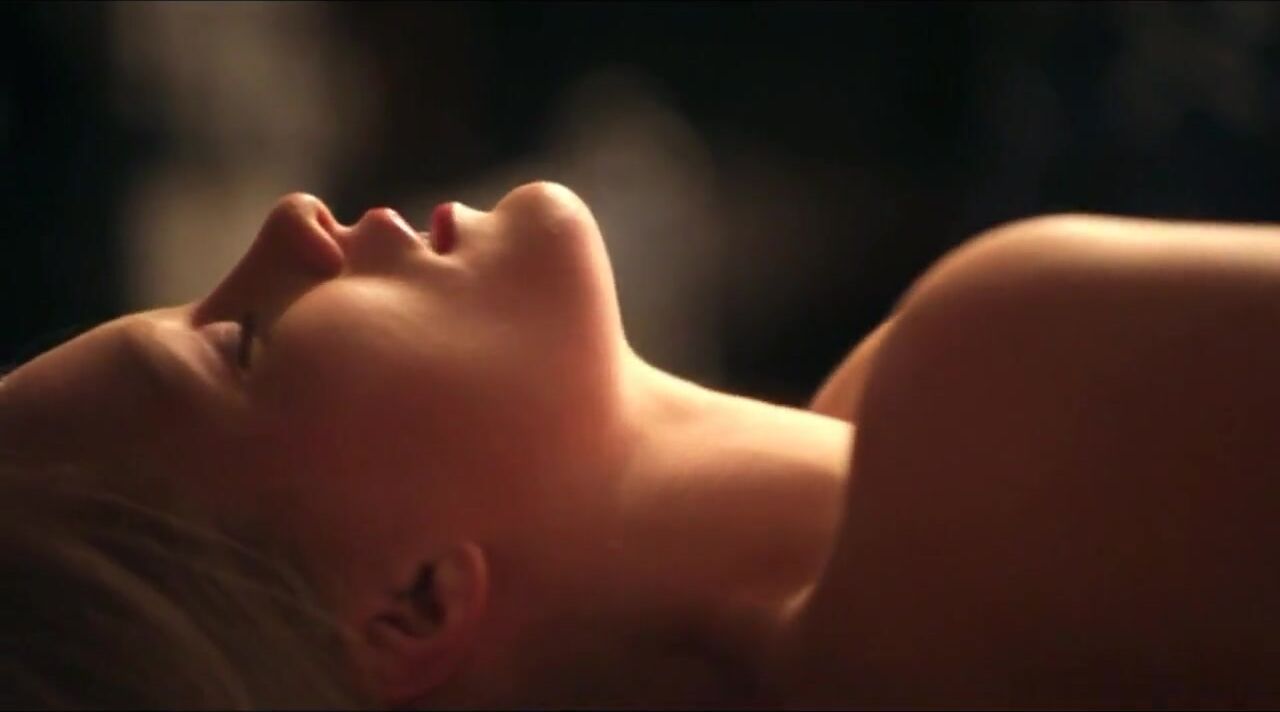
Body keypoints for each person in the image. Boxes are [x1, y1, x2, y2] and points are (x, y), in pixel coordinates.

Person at [1, 182, 1278, 709]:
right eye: (236, 346)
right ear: (412, 599)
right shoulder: (989, 414)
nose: (291, 223)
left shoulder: (886, 410)